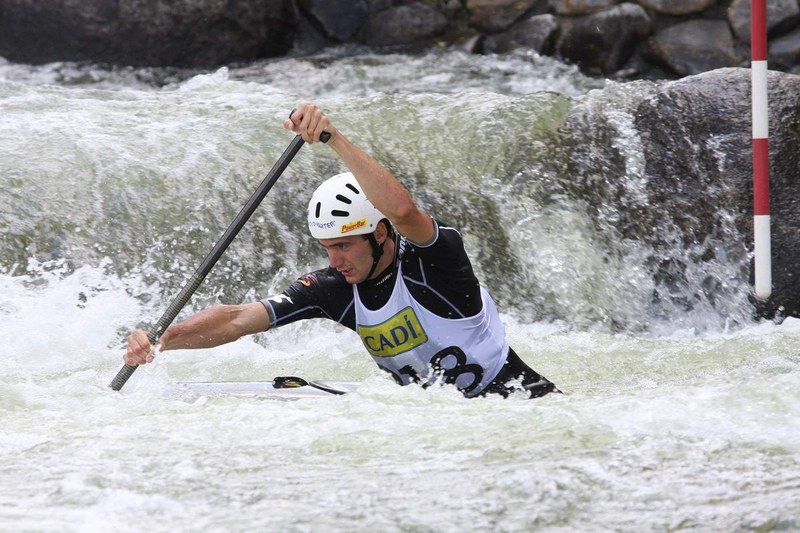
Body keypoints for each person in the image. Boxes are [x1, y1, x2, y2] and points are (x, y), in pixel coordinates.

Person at [124, 102, 559, 399]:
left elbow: (405, 210)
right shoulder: (332, 288)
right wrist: (162, 341)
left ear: (381, 235)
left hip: (523, 403)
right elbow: (237, 319)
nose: (335, 260)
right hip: (442, 422)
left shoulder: (436, 262)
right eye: (327, 247)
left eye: (345, 245)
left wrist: (334, 139)